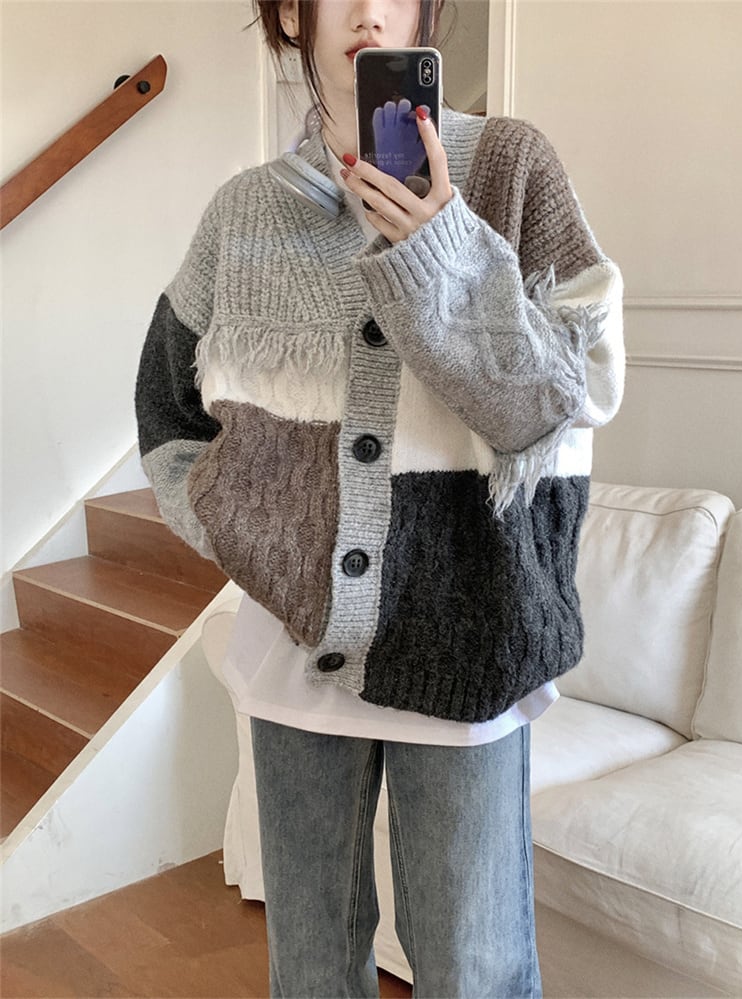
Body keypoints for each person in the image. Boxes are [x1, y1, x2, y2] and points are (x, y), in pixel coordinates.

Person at [135, 0, 625, 995]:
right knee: (312, 968)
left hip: (471, 644)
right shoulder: (243, 213)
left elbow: (566, 399)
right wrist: (232, 525)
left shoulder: (512, 169)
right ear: (291, 12)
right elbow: (166, 404)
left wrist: (448, 254)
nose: (369, 11)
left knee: (474, 970)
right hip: (292, 651)